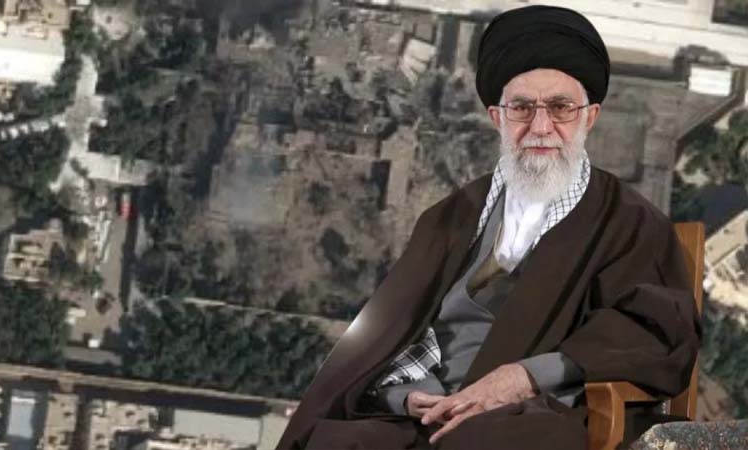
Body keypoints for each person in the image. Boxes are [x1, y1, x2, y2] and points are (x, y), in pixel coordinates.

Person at [276, 5, 701, 450]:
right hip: (431, 414)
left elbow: (654, 335)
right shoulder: (450, 218)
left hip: (539, 416)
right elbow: (391, 339)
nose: (541, 127)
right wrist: (409, 396)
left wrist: (522, 378)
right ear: (497, 117)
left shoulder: (631, 223)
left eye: (560, 108)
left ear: (589, 117)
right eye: (521, 108)